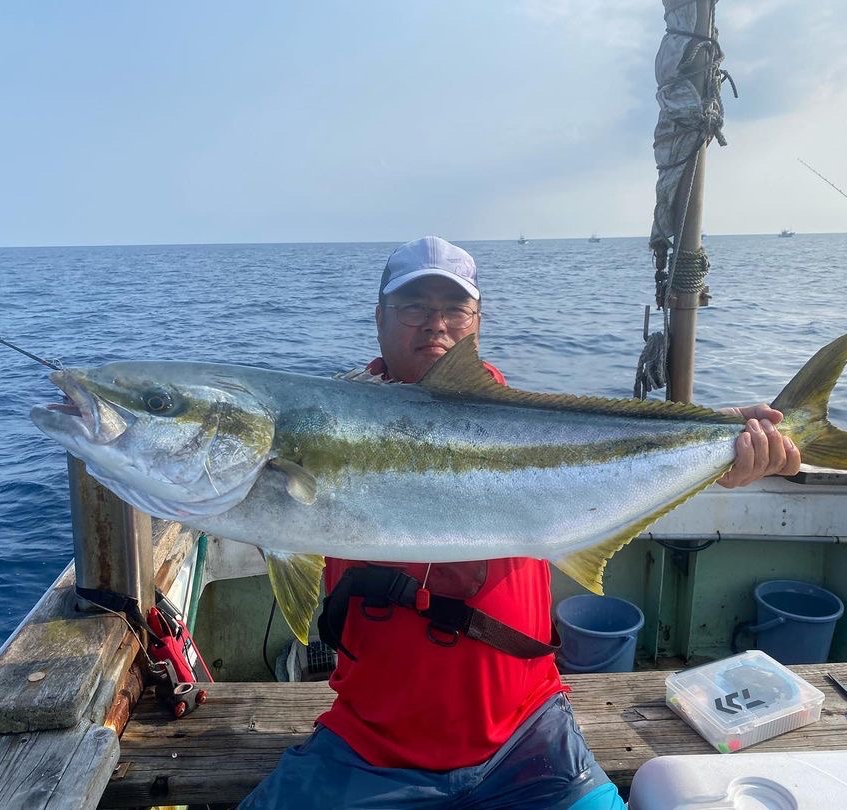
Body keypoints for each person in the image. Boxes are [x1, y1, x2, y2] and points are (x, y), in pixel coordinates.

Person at [240, 236, 800, 809]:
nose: (435, 324)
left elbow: (616, 449)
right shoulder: (321, 420)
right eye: (413, 306)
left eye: (454, 308)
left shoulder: (529, 420)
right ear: (380, 316)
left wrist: (721, 448)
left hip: (529, 738)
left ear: (477, 321)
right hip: (370, 747)